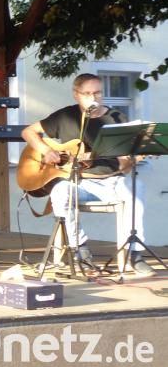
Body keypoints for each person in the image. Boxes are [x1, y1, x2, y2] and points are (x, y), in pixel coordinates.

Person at [21, 73, 154, 275]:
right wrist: (46, 151)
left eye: (98, 92)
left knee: (137, 188)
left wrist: (130, 161)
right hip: (79, 183)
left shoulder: (116, 118)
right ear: (76, 94)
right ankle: (79, 247)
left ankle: (134, 254)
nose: (94, 97)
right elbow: (28, 132)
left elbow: (125, 166)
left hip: (111, 182)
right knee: (59, 192)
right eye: (88, 93)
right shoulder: (65, 117)